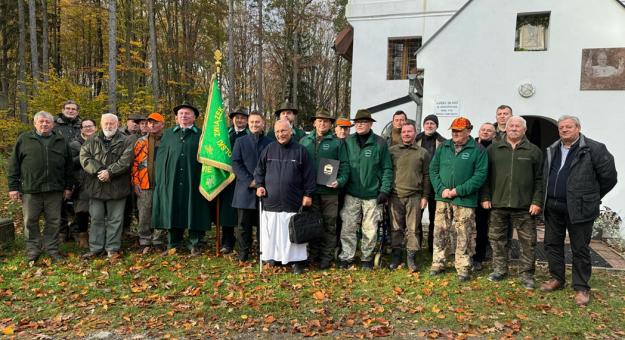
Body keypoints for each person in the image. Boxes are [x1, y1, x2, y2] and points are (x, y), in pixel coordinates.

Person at [540, 115, 617, 305]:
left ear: (578, 128)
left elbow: (609, 178)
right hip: (553, 207)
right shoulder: (553, 148)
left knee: (580, 248)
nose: (564, 130)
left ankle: (581, 287)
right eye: (561, 127)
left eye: (568, 127)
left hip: (580, 208)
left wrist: (591, 197)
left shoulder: (594, 148)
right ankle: (557, 278)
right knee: (552, 244)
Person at [480, 117, 543, 289]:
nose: (514, 128)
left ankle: (526, 275)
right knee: (497, 239)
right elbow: (485, 176)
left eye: (518, 126)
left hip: (525, 205)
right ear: (505, 129)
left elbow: (540, 179)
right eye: (511, 126)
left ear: (524, 130)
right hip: (498, 204)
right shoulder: (494, 149)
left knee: (527, 242)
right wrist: (485, 197)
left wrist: (537, 201)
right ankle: (500, 269)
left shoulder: (534, 151)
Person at [8, 111, 74, 264]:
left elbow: (69, 168)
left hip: (55, 190)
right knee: (30, 221)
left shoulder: (61, 141)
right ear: (35, 123)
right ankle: (33, 250)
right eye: (41, 122)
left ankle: (52, 249)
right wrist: (13, 187)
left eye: (47, 122)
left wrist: (68, 187)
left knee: (54, 221)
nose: (44, 124)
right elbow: (14, 165)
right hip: (31, 189)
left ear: (52, 124)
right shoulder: (24, 139)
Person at [429, 117, 487, 281]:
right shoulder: (443, 147)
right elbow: (433, 170)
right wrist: (442, 190)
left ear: (469, 131)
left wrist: (457, 191)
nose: (455, 133)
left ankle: (462, 267)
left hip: (465, 199)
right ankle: (438, 263)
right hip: (443, 197)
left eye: (459, 131)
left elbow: (480, 176)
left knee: (464, 233)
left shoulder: (478, 149)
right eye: (453, 130)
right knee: (439, 231)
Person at [254, 120, 316, 274]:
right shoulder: (269, 149)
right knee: (273, 231)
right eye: (277, 132)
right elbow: (259, 171)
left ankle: (296, 261)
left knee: (293, 231)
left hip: (293, 201)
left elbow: (309, 175)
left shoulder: (301, 150)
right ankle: (273, 257)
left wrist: (308, 194)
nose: (280, 134)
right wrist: (259, 185)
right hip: (271, 201)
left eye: (283, 131)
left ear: (291, 131)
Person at [152, 102, 213, 257]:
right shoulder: (168, 134)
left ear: (194, 117)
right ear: (176, 118)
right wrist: (162, 180)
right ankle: (173, 244)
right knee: (173, 209)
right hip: (172, 179)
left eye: (187, 114)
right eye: (181, 114)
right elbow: (160, 158)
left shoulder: (202, 134)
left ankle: (195, 244)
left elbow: (208, 157)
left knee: (194, 209)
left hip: (194, 178)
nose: (184, 116)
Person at [339, 109, 393, 271]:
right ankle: (347, 256)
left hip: (372, 195)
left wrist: (384, 190)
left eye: (364, 122)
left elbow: (387, 168)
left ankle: (366, 258)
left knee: (370, 229)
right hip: (351, 194)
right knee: (348, 227)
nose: (360, 124)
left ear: (370, 124)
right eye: (358, 122)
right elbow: (342, 165)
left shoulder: (380, 143)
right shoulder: (348, 142)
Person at [300, 108, 350, 270]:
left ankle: (326, 257)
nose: (322, 123)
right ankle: (314, 255)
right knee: (313, 224)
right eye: (320, 120)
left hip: (330, 192)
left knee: (329, 225)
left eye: (326, 121)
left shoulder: (336, 143)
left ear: (330, 124)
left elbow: (344, 165)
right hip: (310, 192)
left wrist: (339, 181)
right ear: (314, 122)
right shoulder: (304, 141)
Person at [79, 114, 134, 259]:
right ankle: (96, 248)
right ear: (101, 125)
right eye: (106, 124)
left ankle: (112, 248)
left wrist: (110, 172)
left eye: (112, 124)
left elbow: (126, 161)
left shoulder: (126, 141)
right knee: (96, 218)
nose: (109, 126)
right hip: (96, 186)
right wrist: (99, 172)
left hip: (117, 187)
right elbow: (84, 158)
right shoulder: (91, 140)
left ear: (117, 124)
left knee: (115, 219)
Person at [231, 112, 274, 262]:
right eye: (252, 122)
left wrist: (261, 182)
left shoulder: (270, 143)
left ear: (263, 124)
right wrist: (250, 181)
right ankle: (243, 252)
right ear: (248, 124)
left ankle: (263, 251)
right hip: (244, 188)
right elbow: (236, 163)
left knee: (264, 224)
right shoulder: (240, 142)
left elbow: (273, 164)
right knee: (243, 225)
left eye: (257, 122)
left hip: (264, 189)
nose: (255, 125)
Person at [388, 123, 431, 271]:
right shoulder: (392, 151)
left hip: (415, 196)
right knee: (396, 228)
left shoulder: (423, 152)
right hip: (395, 196)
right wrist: (386, 194)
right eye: (404, 132)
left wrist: (425, 196)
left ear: (415, 133)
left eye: (409, 131)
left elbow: (427, 176)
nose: (406, 134)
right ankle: (397, 255)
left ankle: (411, 257)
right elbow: (386, 173)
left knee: (413, 229)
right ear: (401, 134)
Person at [132, 113, 167, 254]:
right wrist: (135, 182)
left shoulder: (167, 140)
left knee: (161, 212)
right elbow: (134, 163)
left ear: (162, 124)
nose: (151, 125)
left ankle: (158, 240)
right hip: (145, 183)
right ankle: (144, 240)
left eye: (155, 122)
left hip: (164, 184)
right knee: (144, 213)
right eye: (149, 123)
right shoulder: (141, 141)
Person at [220, 106, 250, 254]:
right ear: (232, 119)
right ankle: (227, 242)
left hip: (244, 178)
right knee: (227, 211)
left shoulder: (251, 135)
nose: (239, 120)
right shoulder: (225, 134)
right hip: (227, 178)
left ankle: (245, 243)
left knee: (244, 214)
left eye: (243, 118)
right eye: (237, 117)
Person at [415, 114, 447, 253]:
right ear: (423, 125)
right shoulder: (416, 140)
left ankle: (432, 247)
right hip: (418, 184)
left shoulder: (443, 142)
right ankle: (416, 245)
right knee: (416, 217)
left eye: (432, 123)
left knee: (435, 217)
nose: (429, 125)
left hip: (436, 185)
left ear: (436, 126)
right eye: (427, 123)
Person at [52, 100, 83, 243]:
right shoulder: (54, 125)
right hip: (59, 168)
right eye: (68, 109)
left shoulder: (81, 125)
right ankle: (62, 231)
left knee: (78, 200)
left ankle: (76, 230)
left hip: (78, 168)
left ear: (77, 111)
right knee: (60, 201)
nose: (71, 111)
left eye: (73, 109)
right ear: (63, 109)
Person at [69, 118, 98, 249]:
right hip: (81, 183)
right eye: (85, 127)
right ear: (81, 130)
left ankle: (97, 237)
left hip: (98, 182)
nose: (88, 128)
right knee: (82, 212)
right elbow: (71, 163)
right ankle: (83, 238)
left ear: (96, 128)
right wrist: (85, 156)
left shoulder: (102, 142)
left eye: (90, 126)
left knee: (98, 212)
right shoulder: (75, 145)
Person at [472, 122, 496, 270]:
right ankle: (464, 254)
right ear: (479, 131)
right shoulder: (471, 146)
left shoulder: (496, 149)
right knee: (466, 226)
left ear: (494, 135)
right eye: (483, 130)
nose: (485, 133)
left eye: (489, 131)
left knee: (482, 227)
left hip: (486, 194)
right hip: (469, 192)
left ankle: (478, 257)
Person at [119, 113, 147, 237]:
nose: (145, 126)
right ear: (139, 126)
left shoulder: (157, 138)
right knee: (131, 203)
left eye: (147, 123)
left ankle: (148, 228)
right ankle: (127, 227)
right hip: (131, 175)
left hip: (148, 177)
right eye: (142, 124)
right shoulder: (130, 139)